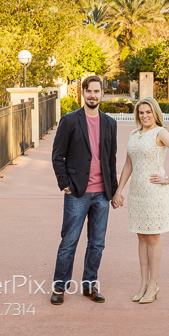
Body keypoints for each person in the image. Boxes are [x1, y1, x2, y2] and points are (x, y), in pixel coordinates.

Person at [112, 97, 169, 304]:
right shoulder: (134, 134)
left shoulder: (160, 132)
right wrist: (119, 191)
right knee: (141, 238)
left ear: (155, 113)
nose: (144, 116)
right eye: (141, 112)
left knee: (153, 238)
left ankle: (153, 285)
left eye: (148, 112)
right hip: (137, 192)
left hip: (154, 193)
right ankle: (143, 283)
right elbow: (128, 164)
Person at [50, 76, 118, 305]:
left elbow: (111, 160)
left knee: (97, 243)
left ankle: (89, 285)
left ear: (102, 94)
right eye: (88, 91)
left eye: (96, 91)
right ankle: (59, 287)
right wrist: (65, 184)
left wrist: (114, 191)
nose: (92, 95)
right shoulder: (69, 121)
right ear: (83, 93)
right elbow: (57, 155)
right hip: (77, 193)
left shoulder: (110, 123)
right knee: (69, 241)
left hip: (102, 194)